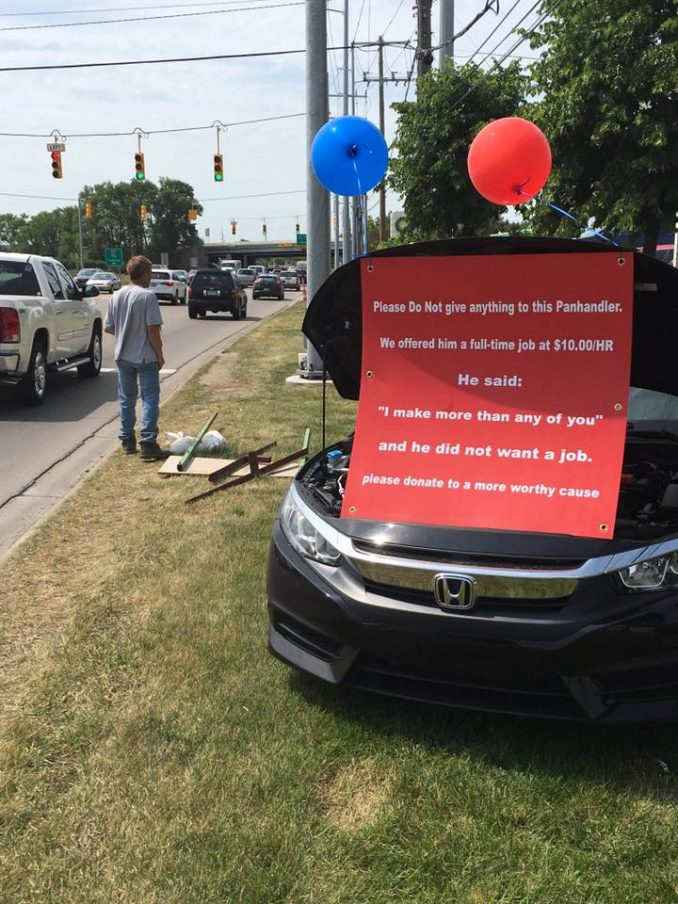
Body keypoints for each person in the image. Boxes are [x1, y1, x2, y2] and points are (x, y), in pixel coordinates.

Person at [104, 255, 170, 461]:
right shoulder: (147, 296)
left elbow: (109, 327)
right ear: (144, 274)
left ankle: (127, 441)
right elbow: (152, 330)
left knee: (126, 399)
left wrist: (127, 333)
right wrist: (159, 355)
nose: (151, 277)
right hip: (144, 356)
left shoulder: (116, 296)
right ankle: (148, 442)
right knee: (150, 398)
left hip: (123, 355)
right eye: (150, 272)